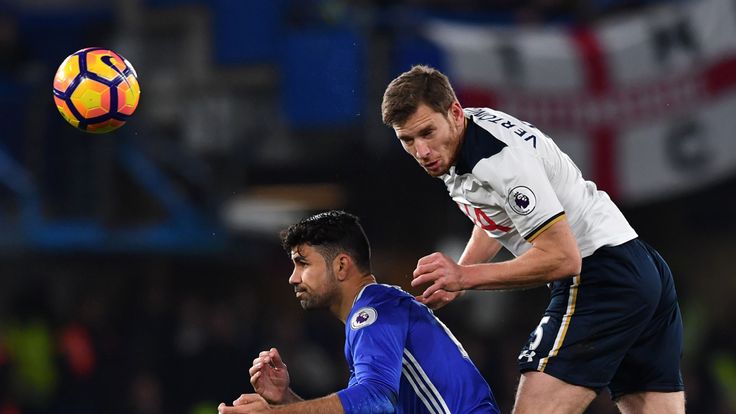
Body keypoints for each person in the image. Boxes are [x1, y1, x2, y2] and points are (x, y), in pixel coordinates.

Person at [381, 65, 685, 414]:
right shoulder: (466, 135)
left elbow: (562, 258)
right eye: (407, 140)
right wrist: (462, 274)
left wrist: (465, 276)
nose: (422, 151)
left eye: (426, 133)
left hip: (598, 276)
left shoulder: (497, 159)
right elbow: (498, 212)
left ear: (453, 112)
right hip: (637, 265)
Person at [218, 210, 500, 414]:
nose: (293, 278)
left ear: (341, 266)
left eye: (303, 264)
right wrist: (287, 400)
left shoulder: (374, 312)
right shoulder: (378, 309)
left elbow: (376, 400)